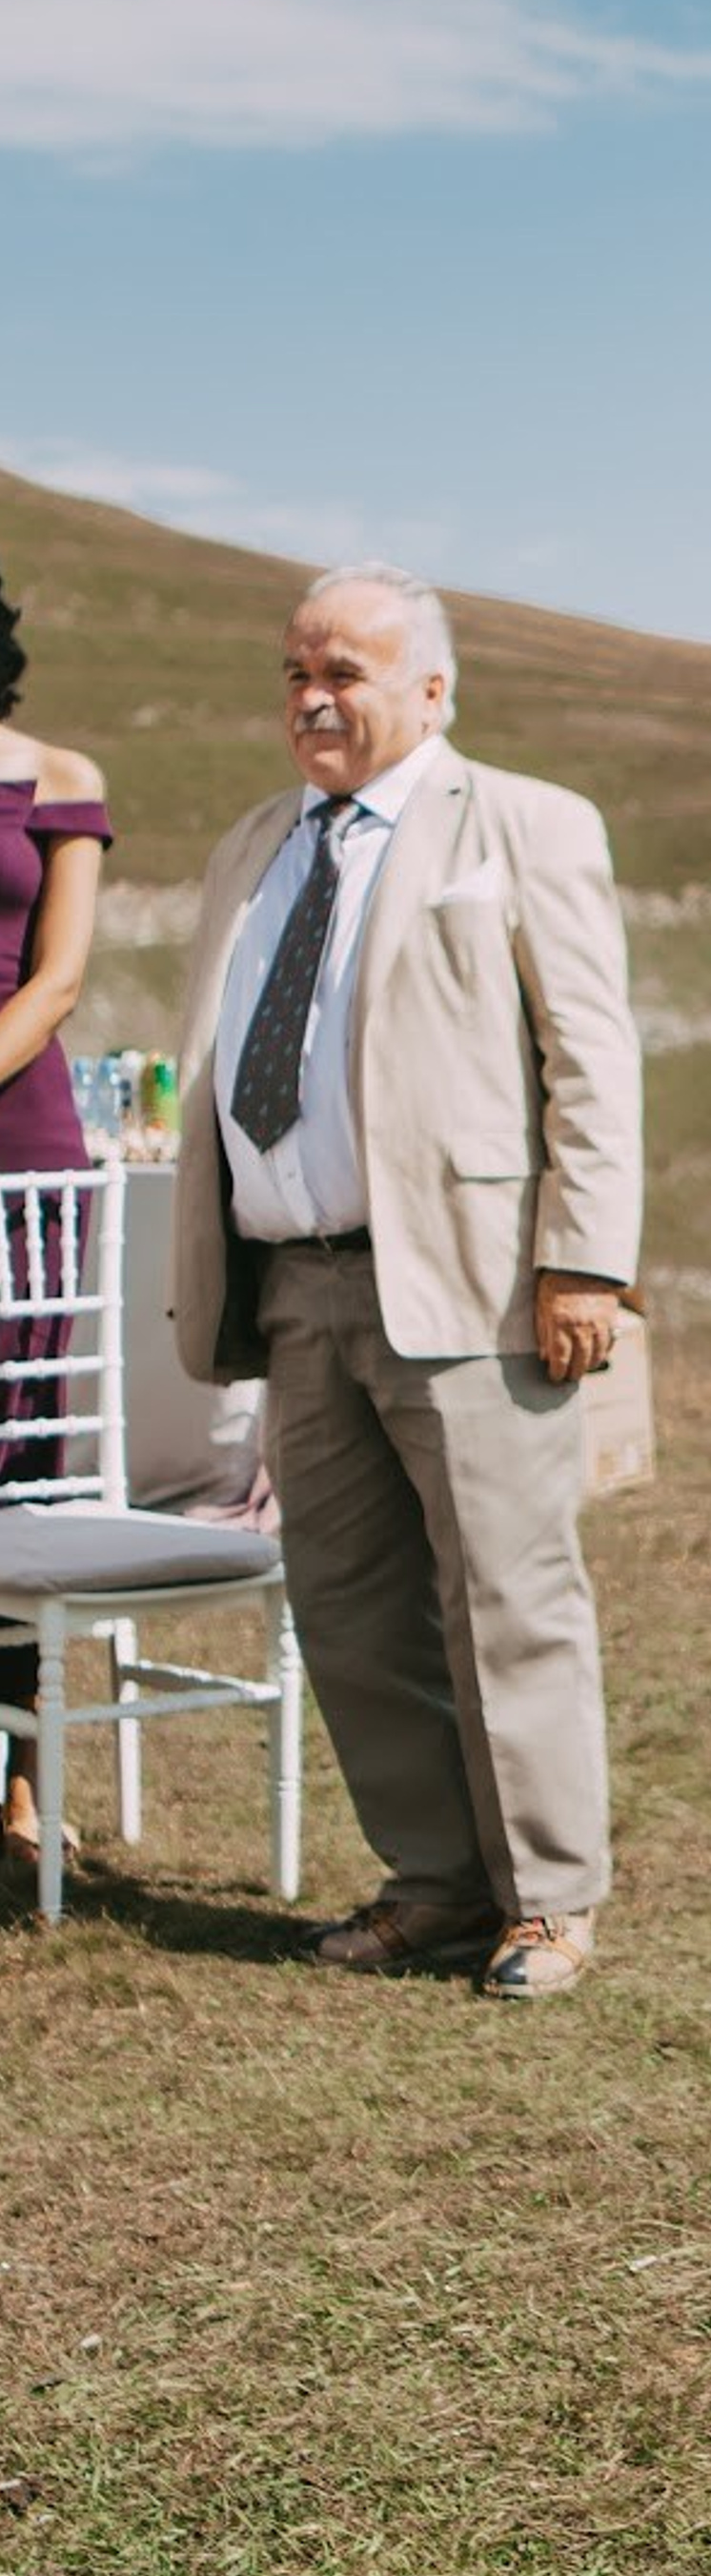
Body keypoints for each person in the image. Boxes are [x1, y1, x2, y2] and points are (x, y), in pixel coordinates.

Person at [171, 563, 642, 2001]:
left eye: (348, 673)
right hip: (297, 1286)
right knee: (356, 1606)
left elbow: (592, 1057)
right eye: (297, 673)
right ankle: (437, 1885)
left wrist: (586, 1263)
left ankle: (550, 1901)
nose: (316, 697)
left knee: (507, 1595)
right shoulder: (259, 844)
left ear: (432, 690)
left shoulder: (522, 824)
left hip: (474, 1282)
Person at [0, 565, 113, 1871]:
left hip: (19, 1141)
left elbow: (61, 975)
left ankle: (28, 1784)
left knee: (24, 1452)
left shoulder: (58, 775)